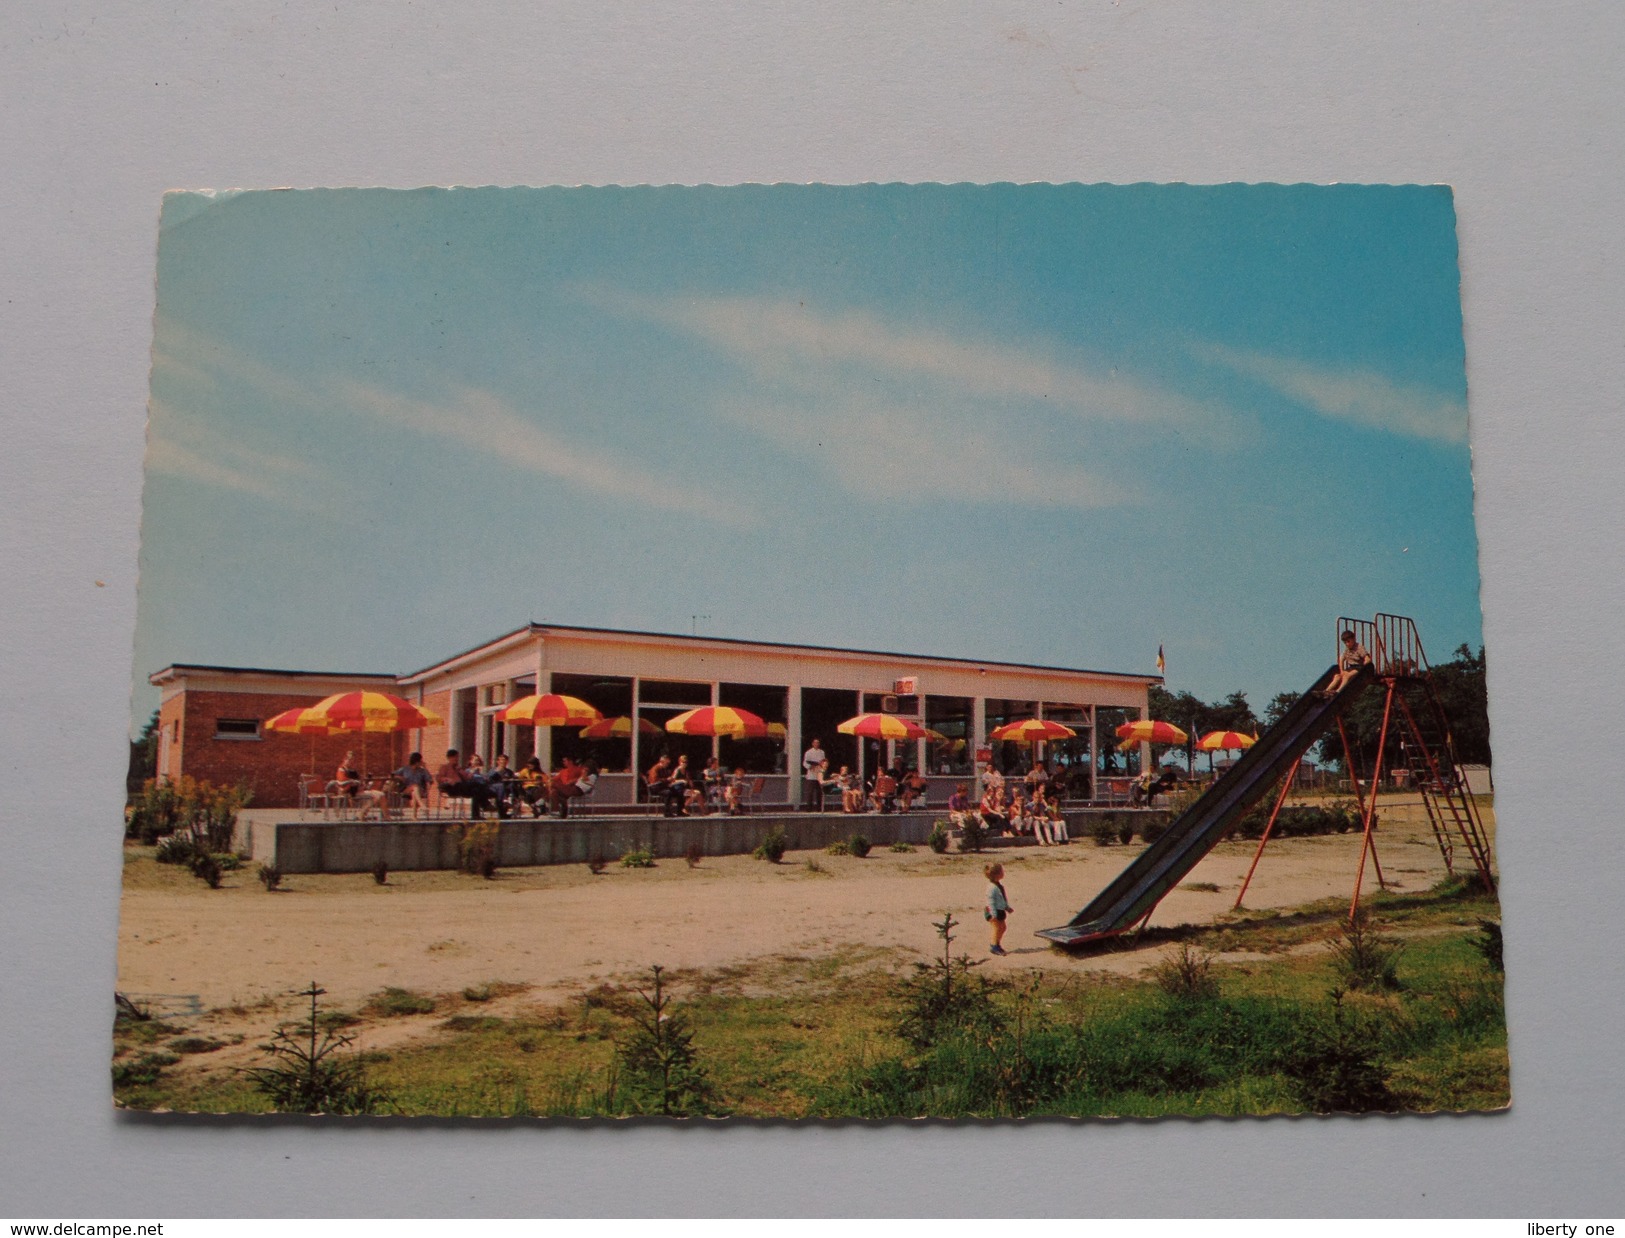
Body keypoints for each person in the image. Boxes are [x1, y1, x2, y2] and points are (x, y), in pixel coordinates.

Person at [434, 749, 494, 819]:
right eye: (455, 757)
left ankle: (476, 815)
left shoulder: (458, 768)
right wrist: (448, 779)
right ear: (449, 758)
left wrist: (473, 770)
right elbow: (439, 778)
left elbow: (467, 777)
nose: (456, 759)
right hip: (451, 788)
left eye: (457, 757)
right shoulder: (444, 767)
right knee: (476, 785)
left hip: (461, 787)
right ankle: (485, 804)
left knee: (476, 790)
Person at [1324, 629, 1373, 697]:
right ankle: (1326, 691)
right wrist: (1342, 671)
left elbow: (1367, 659)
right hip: (1351, 667)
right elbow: (1341, 659)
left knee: (1347, 676)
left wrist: (1364, 666)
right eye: (1345, 643)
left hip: (1359, 667)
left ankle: (1338, 691)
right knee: (1337, 676)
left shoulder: (1359, 647)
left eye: (1348, 641)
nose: (1347, 644)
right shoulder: (1347, 650)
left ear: (1353, 639)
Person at [393, 751, 434, 818]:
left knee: (415, 791)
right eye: (420, 761)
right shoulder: (405, 769)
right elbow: (392, 775)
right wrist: (399, 777)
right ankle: (422, 805)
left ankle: (414, 816)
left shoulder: (422, 770)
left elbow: (429, 779)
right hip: (406, 789)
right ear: (417, 761)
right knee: (415, 787)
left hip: (419, 791)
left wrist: (425, 768)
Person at [984, 862, 1013, 955]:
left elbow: (1002, 899)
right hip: (993, 911)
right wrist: (993, 914)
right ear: (996, 874)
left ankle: (996, 943)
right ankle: (994, 946)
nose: (1003, 872)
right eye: (1001, 871)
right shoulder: (991, 888)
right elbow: (990, 902)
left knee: (1003, 928)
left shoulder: (998, 885)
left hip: (1000, 910)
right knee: (996, 928)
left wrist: (1006, 907)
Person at [802, 738, 827, 811]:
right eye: (815, 743)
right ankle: (809, 808)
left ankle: (819, 808)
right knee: (810, 792)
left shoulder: (822, 752)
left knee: (819, 792)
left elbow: (824, 761)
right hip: (811, 775)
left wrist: (822, 767)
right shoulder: (808, 752)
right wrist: (810, 767)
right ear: (812, 744)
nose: (816, 744)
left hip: (819, 774)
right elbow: (805, 762)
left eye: (818, 743)